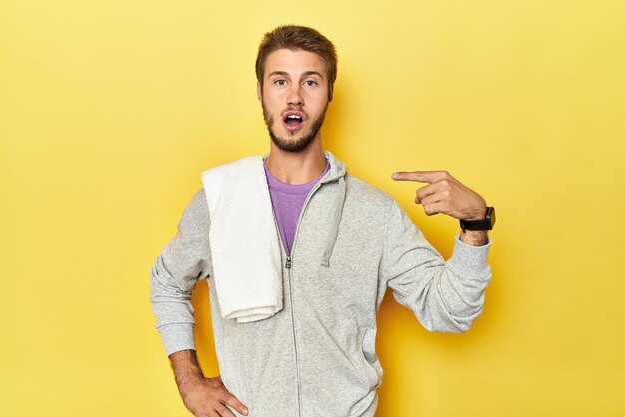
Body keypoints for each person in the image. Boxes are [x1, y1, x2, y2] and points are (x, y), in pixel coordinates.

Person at [150, 24, 495, 417]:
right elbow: (166, 283)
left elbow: (449, 312)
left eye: (310, 82)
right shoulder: (219, 200)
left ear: (330, 93)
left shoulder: (374, 212)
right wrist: (189, 380)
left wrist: (475, 225)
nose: (294, 97)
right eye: (280, 81)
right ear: (260, 91)